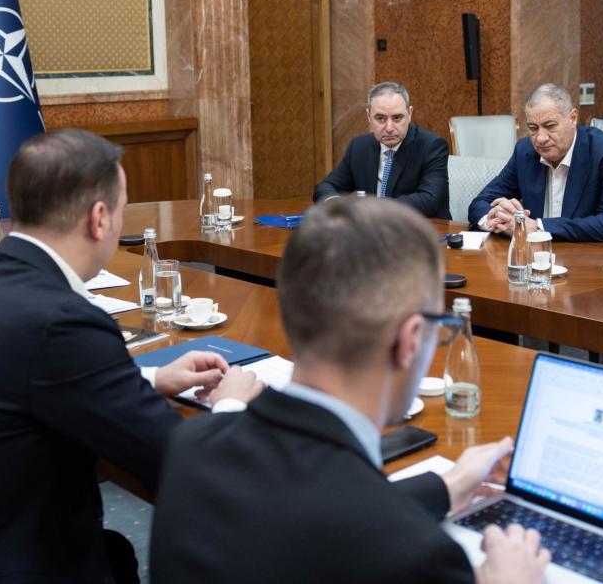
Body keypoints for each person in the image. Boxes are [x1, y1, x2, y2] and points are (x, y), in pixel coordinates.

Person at [0, 130, 262, 583]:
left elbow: (21, 373)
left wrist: (147, 378)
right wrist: (231, 403)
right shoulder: (62, 321)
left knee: (116, 554)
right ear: (100, 219)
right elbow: (188, 475)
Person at [151, 197, 551, 584]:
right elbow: (349, 519)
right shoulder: (416, 554)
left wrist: (448, 486)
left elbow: (308, 511)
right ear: (410, 340)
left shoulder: (191, 444)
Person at [468, 83, 603, 243]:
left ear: (572, 118)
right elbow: (480, 203)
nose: (541, 138)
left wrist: (537, 227)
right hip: (539, 255)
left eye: (550, 126)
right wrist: (495, 220)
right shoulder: (525, 151)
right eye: (533, 128)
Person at [314, 81, 451, 219]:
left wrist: (374, 207)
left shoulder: (431, 146)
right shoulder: (359, 146)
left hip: (422, 227)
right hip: (372, 228)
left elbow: (430, 200)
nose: (389, 128)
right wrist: (336, 204)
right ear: (369, 116)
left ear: (409, 114)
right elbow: (326, 187)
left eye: (397, 118)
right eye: (380, 118)